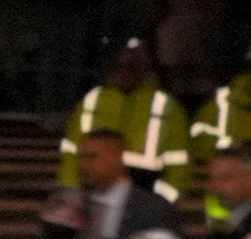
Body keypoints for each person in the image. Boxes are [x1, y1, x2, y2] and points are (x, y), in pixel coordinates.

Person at [59, 45, 188, 197]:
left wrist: (164, 199)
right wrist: (71, 187)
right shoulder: (94, 99)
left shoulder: (166, 105)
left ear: (146, 68)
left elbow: (179, 158)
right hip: (98, 183)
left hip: (144, 187)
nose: (126, 70)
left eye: (133, 65)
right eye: (122, 64)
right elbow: (72, 146)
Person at [69, 124, 181, 239]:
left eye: (92, 157)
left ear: (117, 158)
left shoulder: (153, 208)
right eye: (81, 157)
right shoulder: (76, 203)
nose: (83, 164)